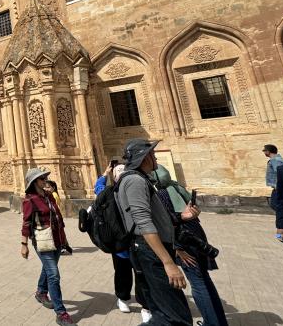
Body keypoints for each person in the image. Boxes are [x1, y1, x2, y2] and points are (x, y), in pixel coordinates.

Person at [116, 139, 194, 326]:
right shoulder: (135, 180)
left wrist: (181, 217)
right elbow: (143, 221)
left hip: (148, 249)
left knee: (163, 314)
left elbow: (153, 218)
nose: (156, 157)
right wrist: (168, 262)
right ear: (144, 158)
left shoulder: (139, 179)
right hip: (149, 251)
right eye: (152, 154)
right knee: (176, 318)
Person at [152, 165, 228, 326]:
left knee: (198, 284)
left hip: (184, 240)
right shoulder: (177, 187)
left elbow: (169, 224)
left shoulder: (160, 194)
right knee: (205, 280)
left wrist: (178, 248)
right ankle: (219, 322)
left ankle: (212, 323)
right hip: (196, 235)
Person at [94, 163, 151, 322]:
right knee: (137, 273)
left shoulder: (108, 191)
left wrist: (105, 174)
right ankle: (140, 305)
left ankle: (128, 300)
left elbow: (98, 187)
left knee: (127, 272)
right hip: (133, 240)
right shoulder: (134, 188)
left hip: (122, 242)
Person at [21, 168, 77, 326]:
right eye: (41, 178)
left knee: (48, 269)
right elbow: (26, 223)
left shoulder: (49, 196)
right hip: (43, 241)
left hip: (57, 239)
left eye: (45, 177)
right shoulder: (30, 200)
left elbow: (58, 217)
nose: (45, 180)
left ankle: (41, 292)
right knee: (54, 275)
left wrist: (65, 239)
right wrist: (24, 245)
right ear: (34, 182)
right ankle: (61, 313)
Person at [264, 144, 283, 210]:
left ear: (268, 151)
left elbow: (279, 173)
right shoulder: (280, 159)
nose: (264, 152)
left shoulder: (275, 160)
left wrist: (278, 186)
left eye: (264, 150)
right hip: (281, 187)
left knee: (276, 205)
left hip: (279, 187)